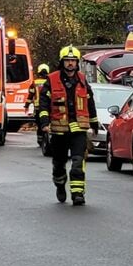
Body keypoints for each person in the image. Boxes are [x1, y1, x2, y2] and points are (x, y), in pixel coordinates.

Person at [38, 46, 99, 206]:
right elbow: (43, 103)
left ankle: (78, 193)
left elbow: (89, 101)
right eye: (67, 61)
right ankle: (60, 184)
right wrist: (44, 123)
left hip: (78, 129)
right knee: (59, 163)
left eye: (73, 61)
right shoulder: (51, 80)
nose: (70, 63)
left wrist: (94, 122)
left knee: (78, 162)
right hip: (59, 130)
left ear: (77, 62)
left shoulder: (82, 80)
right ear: (62, 62)